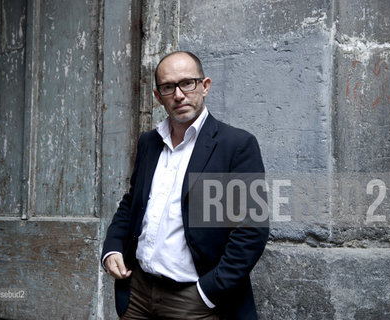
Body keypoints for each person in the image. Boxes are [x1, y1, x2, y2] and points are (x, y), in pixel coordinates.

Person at [101, 51, 268, 319]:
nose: (179, 94)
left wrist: (209, 291)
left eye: (187, 83)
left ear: (205, 86)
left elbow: (251, 229)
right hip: (138, 293)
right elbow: (133, 203)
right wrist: (112, 247)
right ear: (158, 96)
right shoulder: (149, 142)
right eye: (168, 87)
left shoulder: (236, 145)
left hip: (195, 300)